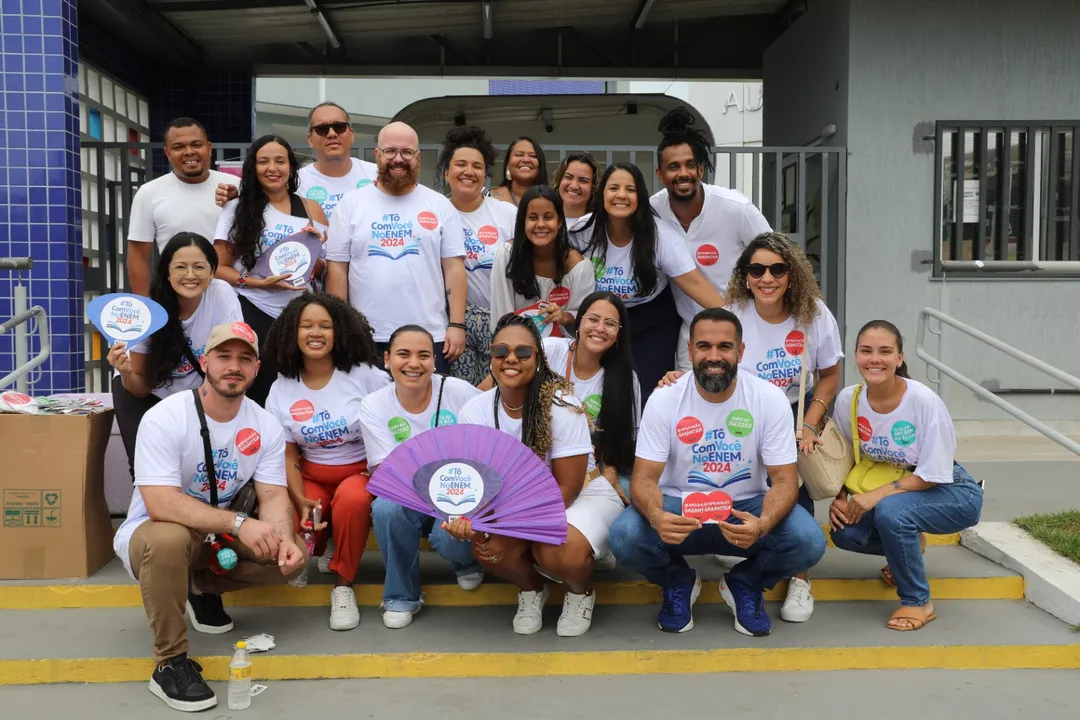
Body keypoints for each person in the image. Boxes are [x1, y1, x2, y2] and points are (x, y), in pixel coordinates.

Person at [111, 321, 306, 713]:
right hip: (157, 535)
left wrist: (282, 535)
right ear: (205, 362)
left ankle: (199, 588)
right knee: (168, 540)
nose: (234, 366)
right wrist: (238, 523)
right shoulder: (166, 416)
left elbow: (272, 495)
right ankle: (170, 662)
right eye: (224, 356)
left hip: (214, 536)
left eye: (244, 359)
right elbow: (161, 503)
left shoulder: (263, 422)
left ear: (255, 368)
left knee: (289, 556)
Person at [657, 232, 843, 622]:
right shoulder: (734, 313)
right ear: (745, 275)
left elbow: (830, 375)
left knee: (794, 482)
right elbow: (710, 360)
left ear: (793, 273)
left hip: (795, 410)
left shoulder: (815, 314)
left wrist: (809, 424)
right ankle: (743, 545)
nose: (767, 278)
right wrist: (676, 378)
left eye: (777, 268)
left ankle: (799, 579)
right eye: (756, 269)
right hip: (741, 411)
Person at [608, 307, 826, 637]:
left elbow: (784, 481)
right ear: (690, 350)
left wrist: (763, 524)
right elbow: (644, 478)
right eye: (704, 346)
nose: (714, 356)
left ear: (740, 351)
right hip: (679, 509)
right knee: (624, 536)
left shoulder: (768, 398)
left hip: (744, 510)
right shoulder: (665, 399)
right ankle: (677, 581)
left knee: (808, 540)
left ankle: (746, 583)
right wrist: (656, 516)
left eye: (724, 347)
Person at [447, 312, 624, 636]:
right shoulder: (475, 410)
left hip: (581, 495)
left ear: (538, 358)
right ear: (491, 356)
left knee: (557, 548)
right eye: (501, 352)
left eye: (523, 352)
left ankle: (579, 591)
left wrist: (507, 524)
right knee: (487, 545)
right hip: (517, 503)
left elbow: (565, 491)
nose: (510, 359)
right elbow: (475, 480)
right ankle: (531, 589)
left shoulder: (562, 405)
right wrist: (469, 518)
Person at [829, 320, 983, 631]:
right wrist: (841, 497)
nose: (875, 359)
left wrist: (875, 495)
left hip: (950, 489)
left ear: (899, 358)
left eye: (885, 351)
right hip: (895, 489)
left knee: (891, 511)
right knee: (844, 531)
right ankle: (910, 546)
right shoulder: (850, 398)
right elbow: (846, 454)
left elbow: (933, 473)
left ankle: (917, 601)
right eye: (866, 351)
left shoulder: (923, 401)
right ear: (855, 356)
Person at [263, 293, 390, 631]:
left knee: (352, 499)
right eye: (306, 326)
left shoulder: (364, 375)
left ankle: (343, 586)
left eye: (325, 326)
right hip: (312, 473)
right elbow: (287, 452)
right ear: (293, 332)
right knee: (308, 514)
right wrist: (298, 496)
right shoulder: (281, 388)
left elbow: (395, 413)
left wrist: (382, 462)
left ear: (340, 333)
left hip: (359, 472)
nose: (315, 333)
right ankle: (323, 542)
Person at [361, 325, 484, 629]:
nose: (414, 364)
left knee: (449, 536)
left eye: (424, 355)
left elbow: (485, 445)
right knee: (385, 507)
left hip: (460, 493)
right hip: (407, 493)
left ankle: (465, 561)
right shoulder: (374, 404)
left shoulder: (459, 392)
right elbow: (385, 471)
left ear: (434, 361)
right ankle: (402, 595)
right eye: (404, 354)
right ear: (387, 359)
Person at [325, 121, 467, 375]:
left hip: (429, 335)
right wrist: (341, 326)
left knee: (429, 410)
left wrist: (457, 324)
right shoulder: (350, 204)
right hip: (365, 335)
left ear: (418, 157)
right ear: (377, 155)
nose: (398, 159)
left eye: (406, 152)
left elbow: (454, 269)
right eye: (390, 151)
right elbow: (337, 270)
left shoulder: (440, 205)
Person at [578, 162, 723, 400]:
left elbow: (695, 284)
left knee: (649, 392)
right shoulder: (583, 230)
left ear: (640, 197)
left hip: (652, 320)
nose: (621, 195)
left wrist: (733, 319)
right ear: (602, 193)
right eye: (614, 188)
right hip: (603, 318)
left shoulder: (659, 234)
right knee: (601, 389)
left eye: (630, 190)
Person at [108, 232, 242, 481]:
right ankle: (149, 516)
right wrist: (125, 371)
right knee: (146, 467)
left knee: (198, 465)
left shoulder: (221, 294)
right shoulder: (148, 312)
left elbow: (231, 355)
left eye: (199, 267)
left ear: (213, 271)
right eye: (180, 267)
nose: (190, 275)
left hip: (196, 392)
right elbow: (140, 386)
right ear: (166, 272)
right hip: (142, 390)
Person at [649, 107, 773, 372]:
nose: (683, 173)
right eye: (673, 167)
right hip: (691, 332)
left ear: (701, 169)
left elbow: (776, 259)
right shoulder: (652, 212)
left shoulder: (735, 208)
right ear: (660, 175)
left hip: (744, 329)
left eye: (690, 165)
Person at [213, 134, 329, 406]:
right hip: (254, 310)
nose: (272, 168)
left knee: (301, 390)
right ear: (253, 167)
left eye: (280, 161)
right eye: (263, 161)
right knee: (259, 390)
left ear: (291, 167)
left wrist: (316, 254)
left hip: (301, 315)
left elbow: (325, 266)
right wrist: (257, 283)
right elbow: (218, 268)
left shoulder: (312, 209)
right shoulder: (237, 208)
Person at [433, 125, 517, 385]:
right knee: (460, 397)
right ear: (447, 173)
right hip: (453, 328)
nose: (469, 172)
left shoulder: (507, 214)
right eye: (460, 164)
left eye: (477, 166)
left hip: (502, 323)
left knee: (499, 396)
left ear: (485, 174)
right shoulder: (434, 214)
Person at [127, 118, 238, 296]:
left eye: (196, 144)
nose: (189, 152)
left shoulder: (235, 187)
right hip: (176, 297)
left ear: (209, 148)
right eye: (178, 147)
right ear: (167, 153)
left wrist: (238, 201)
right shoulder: (149, 193)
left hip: (231, 295)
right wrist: (146, 308)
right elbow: (138, 256)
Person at [489, 185, 595, 339]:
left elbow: (584, 315)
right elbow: (501, 313)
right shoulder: (506, 255)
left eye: (548, 217)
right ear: (523, 222)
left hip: (561, 350)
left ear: (559, 221)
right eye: (532, 217)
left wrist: (563, 316)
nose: (540, 224)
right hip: (515, 348)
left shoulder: (579, 266)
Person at [489, 136, 547, 206]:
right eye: (519, 155)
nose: (526, 160)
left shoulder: (552, 202)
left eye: (533, 156)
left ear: (540, 166)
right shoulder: (487, 198)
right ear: (507, 164)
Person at [554, 152, 600, 241]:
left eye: (583, 180)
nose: (574, 186)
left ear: (593, 187)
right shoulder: (544, 221)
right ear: (559, 180)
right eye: (568, 177)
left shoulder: (600, 227)